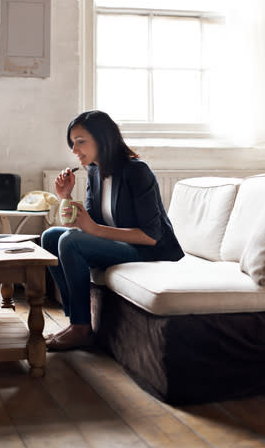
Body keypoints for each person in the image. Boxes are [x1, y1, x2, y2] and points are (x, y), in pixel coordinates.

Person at [42, 110, 184, 351]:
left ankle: (81, 328)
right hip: (121, 245)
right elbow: (75, 225)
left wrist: (94, 229)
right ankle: (75, 320)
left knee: (69, 241)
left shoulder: (137, 171)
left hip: (152, 252)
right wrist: (64, 197)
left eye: (80, 142)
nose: (74, 150)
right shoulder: (95, 172)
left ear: (103, 138)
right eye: (72, 144)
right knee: (51, 237)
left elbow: (151, 236)